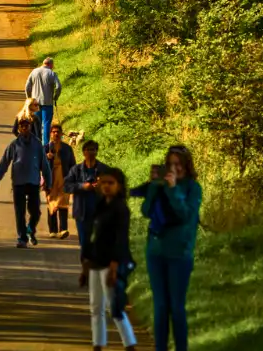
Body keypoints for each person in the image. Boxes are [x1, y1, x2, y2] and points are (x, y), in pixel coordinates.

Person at [137, 145, 202, 351]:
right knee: (161, 306)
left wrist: (174, 190)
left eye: (178, 164)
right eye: (170, 164)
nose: (175, 168)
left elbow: (185, 214)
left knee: (176, 306)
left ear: (186, 165)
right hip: (156, 251)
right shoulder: (161, 185)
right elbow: (146, 210)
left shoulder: (193, 188)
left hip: (179, 253)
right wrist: (153, 186)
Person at [79, 166, 140, 351]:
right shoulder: (99, 205)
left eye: (110, 183)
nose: (106, 186)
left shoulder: (120, 209)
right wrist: (85, 263)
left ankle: (130, 344)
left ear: (119, 186)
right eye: (103, 183)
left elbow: (121, 239)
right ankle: (98, 344)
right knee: (95, 307)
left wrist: (114, 267)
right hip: (96, 262)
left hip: (112, 264)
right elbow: (91, 236)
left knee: (116, 308)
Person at [0, 116, 51, 248]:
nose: (24, 128)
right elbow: (3, 164)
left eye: (27, 125)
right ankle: (21, 238)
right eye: (22, 126)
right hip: (18, 182)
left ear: (30, 127)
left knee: (35, 211)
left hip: (33, 182)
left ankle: (30, 228)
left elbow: (44, 165)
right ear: (19, 128)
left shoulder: (37, 144)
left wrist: (48, 182)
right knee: (20, 211)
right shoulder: (14, 145)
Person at [64, 139, 106, 251]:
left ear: (97, 151)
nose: (90, 152)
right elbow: (66, 186)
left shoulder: (104, 169)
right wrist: (82, 186)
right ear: (83, 152)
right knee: (84, 243)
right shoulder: (76, 170)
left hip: (99, 213)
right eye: (88, 150)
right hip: (81, 213)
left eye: (93, 150)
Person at [45, 124, 76, 239]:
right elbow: (38, 164)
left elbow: (73, 165)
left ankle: (63, 229)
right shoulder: (45, 148)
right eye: (53, 132)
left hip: (64, 179)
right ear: (50, 134)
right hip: (51, 181)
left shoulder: (67, 149)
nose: (56, 134)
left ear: (61, 134)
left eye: (58, 132)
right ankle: (52, 230)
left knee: (63, 204)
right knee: (52, 203)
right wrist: (47, 158)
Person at [25, 57, 62, 146]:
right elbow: (58, 87)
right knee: (46, 124)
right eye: (52, 65)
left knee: (35, 123)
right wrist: (55, 97)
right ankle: (45, 145)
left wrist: (29, 98)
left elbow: (27, 86)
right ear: (50, 64)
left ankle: (36, 143)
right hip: (47, 103)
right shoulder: (51, 73)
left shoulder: (34, 72)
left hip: (35, 103)